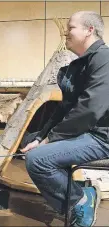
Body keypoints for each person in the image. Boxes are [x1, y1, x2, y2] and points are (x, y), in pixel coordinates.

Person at [22, 11, 109, 226]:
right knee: (29, 143)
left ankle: (80, 200)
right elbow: (63, 109)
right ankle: (78, 198)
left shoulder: (104, 59)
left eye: (71, 28)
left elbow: (89, 109)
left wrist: (50, 140)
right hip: (88, 131)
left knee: (38, 159)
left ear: (90, 30)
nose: (65, 33)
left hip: (103, 137)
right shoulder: (83, 62)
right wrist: (40, 137)